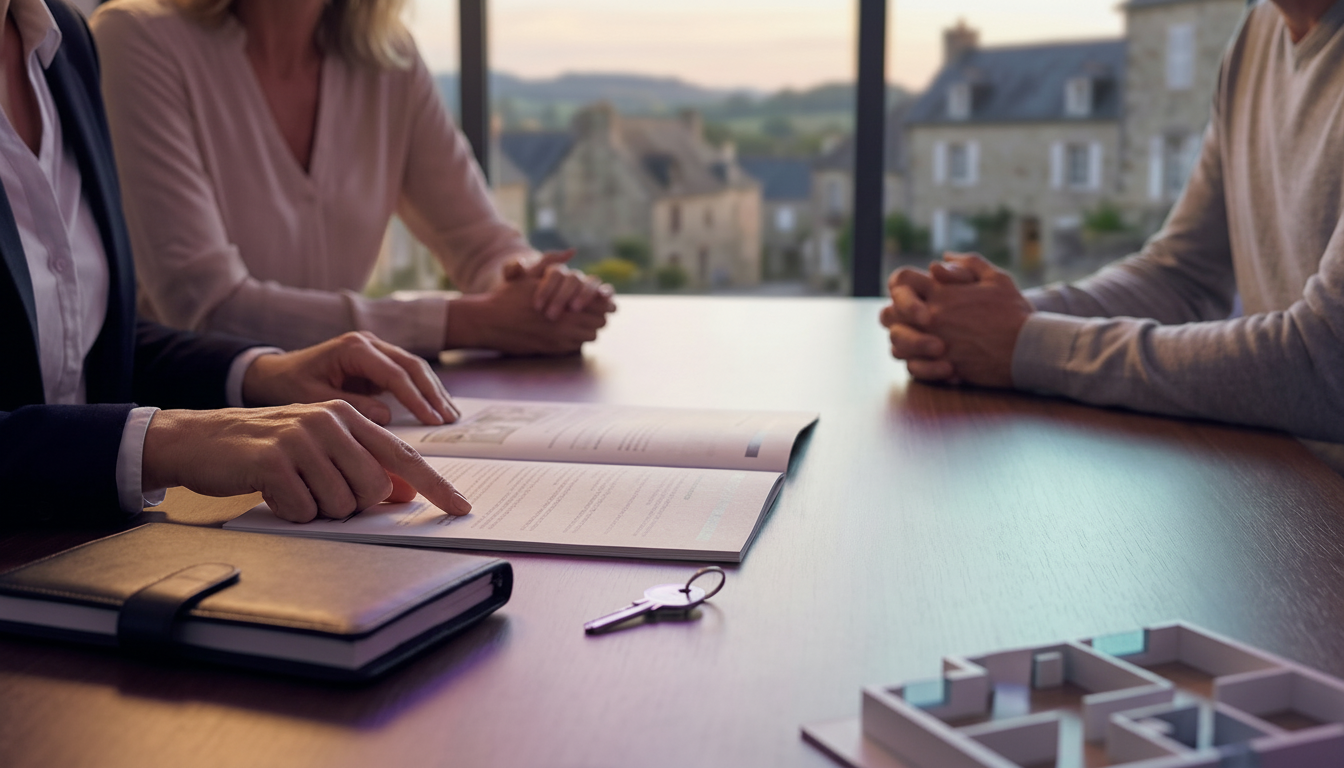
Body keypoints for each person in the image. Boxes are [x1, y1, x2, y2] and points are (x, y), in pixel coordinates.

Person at [0, 0, 471, 525]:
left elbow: (81, 350)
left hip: (96, 539)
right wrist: (163, 443)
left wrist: (260, 371)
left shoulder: (60, 37)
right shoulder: (125, 36)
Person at [882, 0, 1344, 464]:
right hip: (1287, 491)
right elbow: (1182, 276)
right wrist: (979, 323)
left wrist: (1025, 343)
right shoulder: (1257, 33)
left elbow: (1325, 362)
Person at [88, 0, 615, 358]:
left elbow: (479, 242)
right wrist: (469, 323)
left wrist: (535, 289)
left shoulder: (389, 59)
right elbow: (205, 308)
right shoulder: (136, 37)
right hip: (189, 438)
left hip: (344, 413)